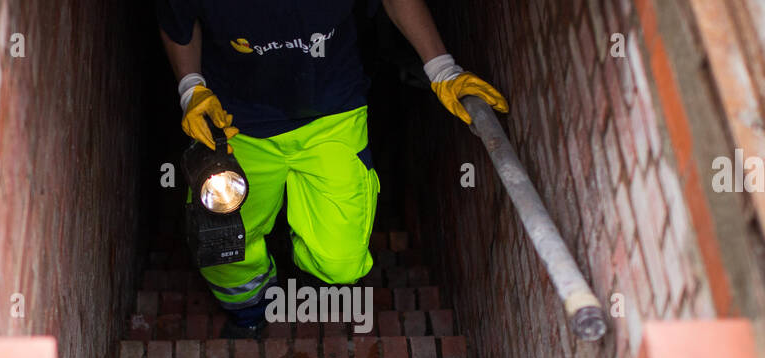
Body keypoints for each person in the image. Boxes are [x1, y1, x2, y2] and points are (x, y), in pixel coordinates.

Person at [159, 0, 508, 338]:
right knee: (224, 244)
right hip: (234, 123)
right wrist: (191, 88)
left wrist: (443, 69)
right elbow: (177, 19)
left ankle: (302, 263)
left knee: (341, 261)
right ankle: (249, 312)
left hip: (332, 113)